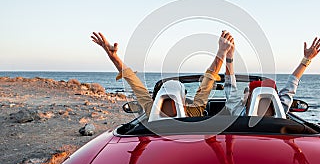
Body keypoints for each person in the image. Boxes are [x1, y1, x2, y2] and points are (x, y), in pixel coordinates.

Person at [91, 31, 234, 117]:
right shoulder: (194, 113)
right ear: (183, 100)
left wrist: (113, 57)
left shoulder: (150, 111)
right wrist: (222, 52)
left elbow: (133, 81)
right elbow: (208, 80)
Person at [224, 36, 320, 116]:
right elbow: (293, 83)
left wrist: (229, 55)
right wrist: (307, 59)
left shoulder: (238, 114)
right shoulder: (282, 111)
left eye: (247, 92)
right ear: (275, 98)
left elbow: (230, 86)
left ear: (250, 98)